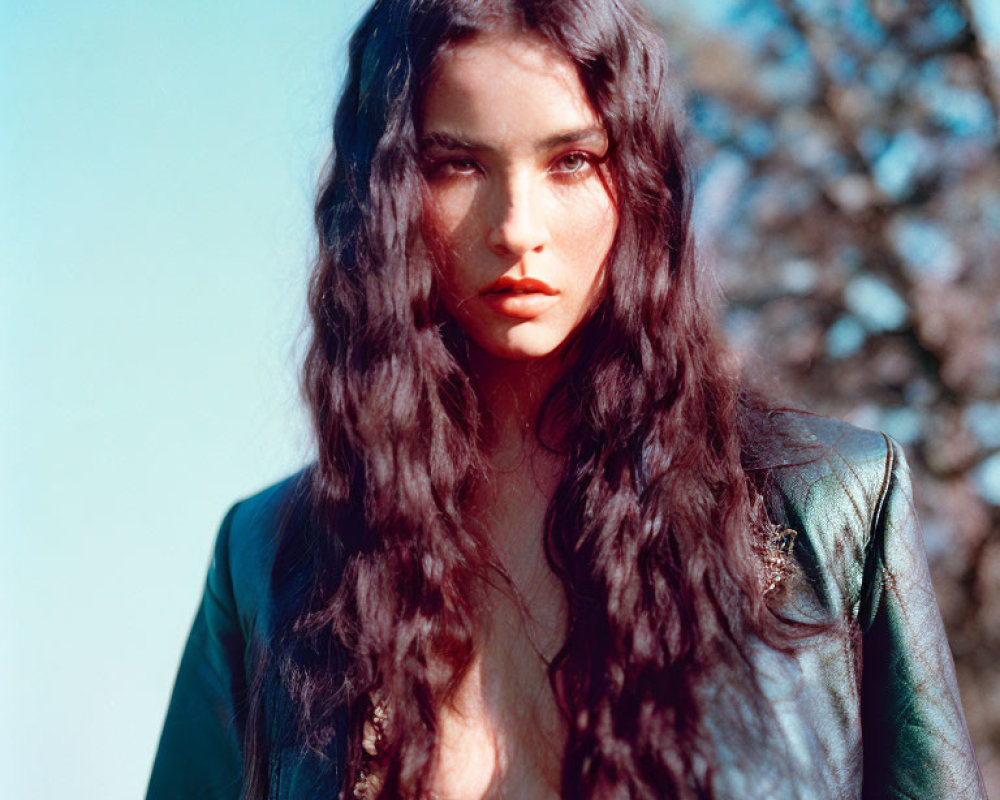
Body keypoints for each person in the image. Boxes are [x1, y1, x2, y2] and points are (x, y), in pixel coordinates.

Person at [145, 0, 986, 798]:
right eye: (457, 164)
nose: (517, 226)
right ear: (385, 199)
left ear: (641, 183)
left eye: (572, 161)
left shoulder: (831, 507)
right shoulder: (266, 560)